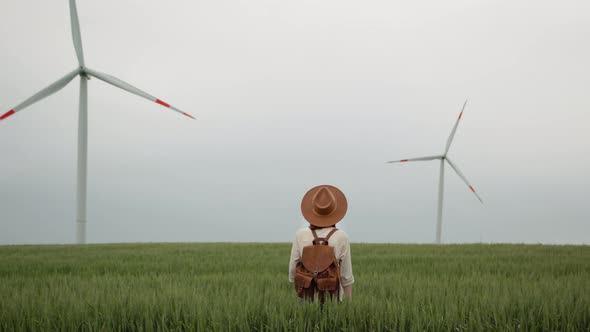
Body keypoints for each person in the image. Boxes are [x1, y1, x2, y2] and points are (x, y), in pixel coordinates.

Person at [288, 185, 354, 301]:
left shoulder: (300, 235)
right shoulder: (341, 237)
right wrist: (348, 305)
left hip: (305, 297)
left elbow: (293, 269)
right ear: (334, 211)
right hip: (332, 299)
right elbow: (346, 276)